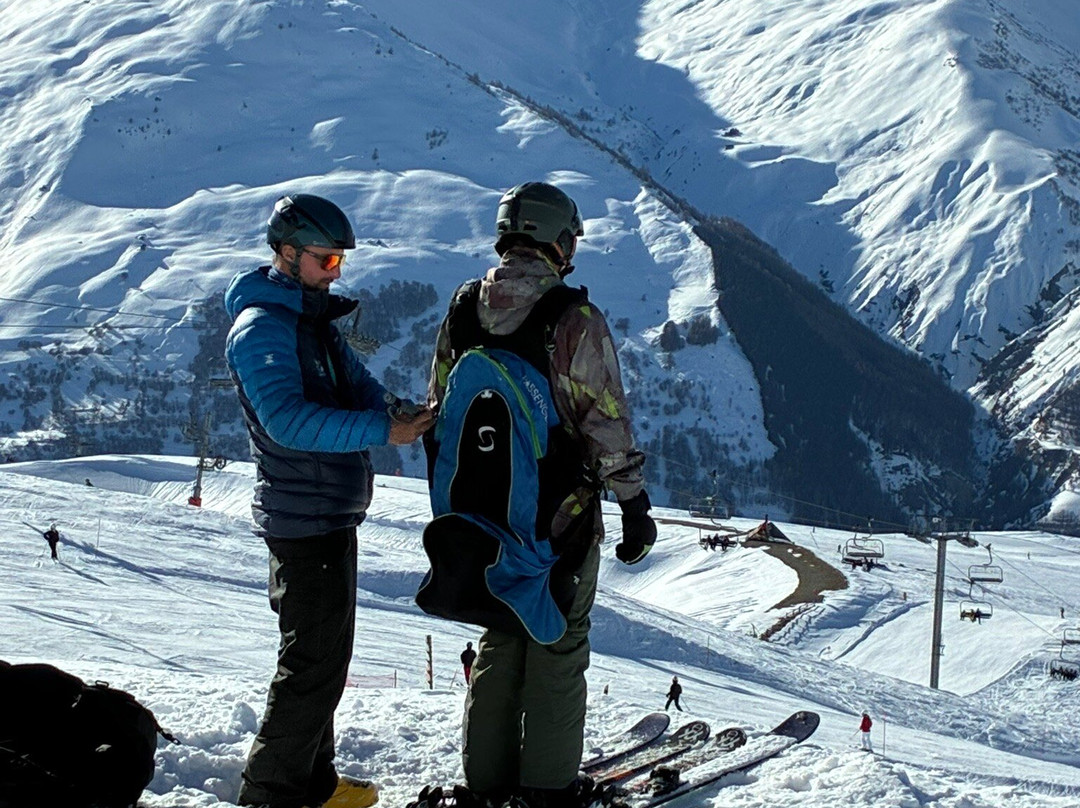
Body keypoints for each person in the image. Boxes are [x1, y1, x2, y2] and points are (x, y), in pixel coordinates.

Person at [427, 182, 656, 808]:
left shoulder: (463, 308)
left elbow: (438, 407)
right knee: (557, 643)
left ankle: (486, 787)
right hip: (558, 519)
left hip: (478, 519)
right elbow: (604, 421)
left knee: (502, 633)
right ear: (558, 240)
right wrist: (634, 506)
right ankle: (548, 791)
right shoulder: (571, 319)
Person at [225, 193, 433, 808]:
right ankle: (270, 796)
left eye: (340, 261)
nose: (335, 271)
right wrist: (380, 432)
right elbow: (286, 421)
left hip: (328, 512)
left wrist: (394, 411)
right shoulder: (263, 329)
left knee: (324, 664)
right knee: (309, 668)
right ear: (286, 254)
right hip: (302, 518)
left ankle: (312, 784)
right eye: (326, 260)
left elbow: (358, 387)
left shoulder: (309, 323)